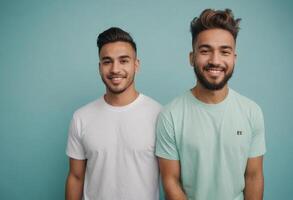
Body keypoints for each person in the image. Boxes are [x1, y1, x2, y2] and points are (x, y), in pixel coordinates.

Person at [155, 9, 266, 200]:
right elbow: (171, 182)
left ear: (234, 59)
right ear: (192, 58)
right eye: (205, 51)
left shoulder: (252, 112)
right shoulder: (170, 115)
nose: (215, 60)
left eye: (225, 52)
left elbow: (254, 177)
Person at [65, 27, 161, 200]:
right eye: (107, 61)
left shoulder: (159, 115)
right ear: (100, 66)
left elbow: (172, 178)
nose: (115, 69)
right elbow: (75, 177)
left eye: (123, 61)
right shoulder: (81, 117)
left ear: (136, 65)